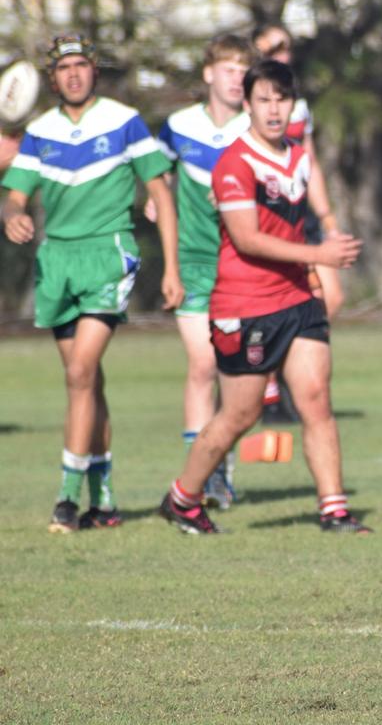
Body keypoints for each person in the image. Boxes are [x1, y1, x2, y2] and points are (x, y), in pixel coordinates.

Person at [158, 60, 367, 535]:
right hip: (244, 305)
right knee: (240, 414)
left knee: (315, 398)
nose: (274, 109)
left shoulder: (297, 154)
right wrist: (319, 252)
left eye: (282, 99)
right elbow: (247, 238)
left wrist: (330, 231)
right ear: (247, 105)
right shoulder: (234, 163)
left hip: (297, 298)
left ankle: (334, 508)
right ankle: (183, 498)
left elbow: (312, 197)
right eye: (264, 100)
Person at [1, 33, 183, 532]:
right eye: (64, 67)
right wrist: (11, 214)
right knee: (87, 381)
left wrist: (170, 267)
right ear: (52, 77)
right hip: (57, 261)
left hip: (109, 253)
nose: (74, 74)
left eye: (82, 64)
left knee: (80, 372)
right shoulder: (39, 131)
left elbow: (160, 194)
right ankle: (103, 498)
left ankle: (66, 496)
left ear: (94, 71)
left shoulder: (123, 122)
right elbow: (15, 194)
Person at [153, 33, 260, 509]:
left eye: (243, 70)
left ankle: (222, 467)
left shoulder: (256, 129)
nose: (237, 78)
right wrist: (160, 206)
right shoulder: (177, 127)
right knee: (202, 365)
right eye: (229, 69)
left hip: (244, 265)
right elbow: (159, 181)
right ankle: (205, 475)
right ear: (208, 74)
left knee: (234, 372)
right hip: (196, 264)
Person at [252, 23, 345, 424]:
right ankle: (269, 390)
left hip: (301, 218)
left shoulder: (298, 107)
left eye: (286, 46)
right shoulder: (249, 105)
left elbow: (309, 163)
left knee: (331, 297)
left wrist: (328, 219)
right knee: (273, 303)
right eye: (273, 47)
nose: (282, 53)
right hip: (266, 222)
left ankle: (280, 372)